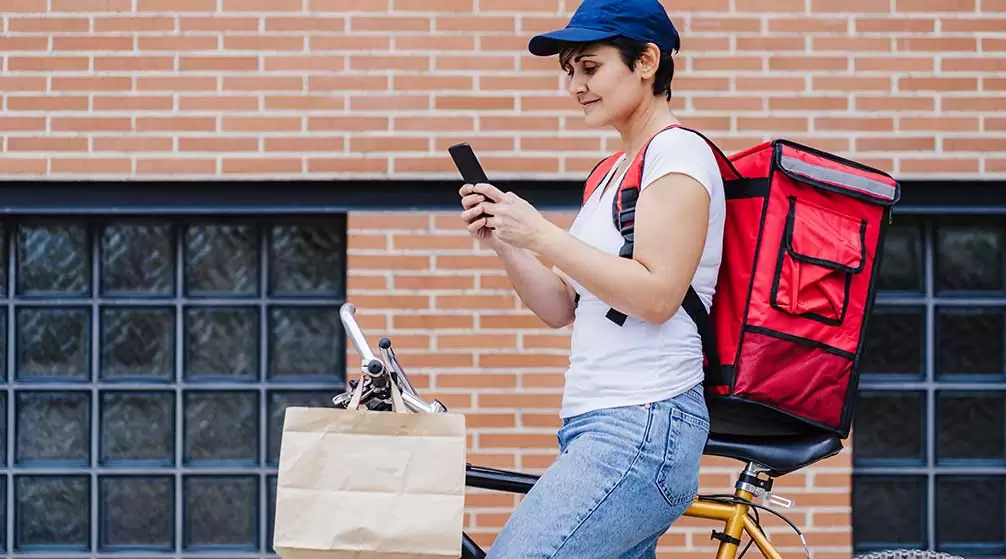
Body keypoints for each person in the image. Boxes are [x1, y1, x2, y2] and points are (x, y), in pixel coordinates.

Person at [457, 0, 726, 556]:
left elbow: (656, 296)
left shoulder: (677, 154)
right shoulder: (609, 176)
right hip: (594, 423)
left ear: (647, 61)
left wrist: (542, 235)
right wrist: (509, 239)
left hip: (642, 424)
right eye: (569, 72)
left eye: (590, 67)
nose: (575, 85)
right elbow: (559, 307)